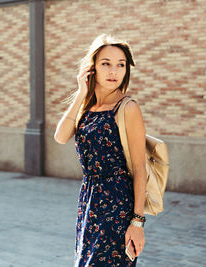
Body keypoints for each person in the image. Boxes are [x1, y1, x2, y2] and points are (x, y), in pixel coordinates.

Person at [54, 34, 147, 266]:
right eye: (106, 64)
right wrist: (81, 93)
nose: (114, 71)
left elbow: (139, 168)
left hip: (117, 203)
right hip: (89, 201)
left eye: (120, 65)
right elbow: (60, 136)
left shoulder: (128, 108)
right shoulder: (86, 107)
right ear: (92, 67)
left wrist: (137, 222)